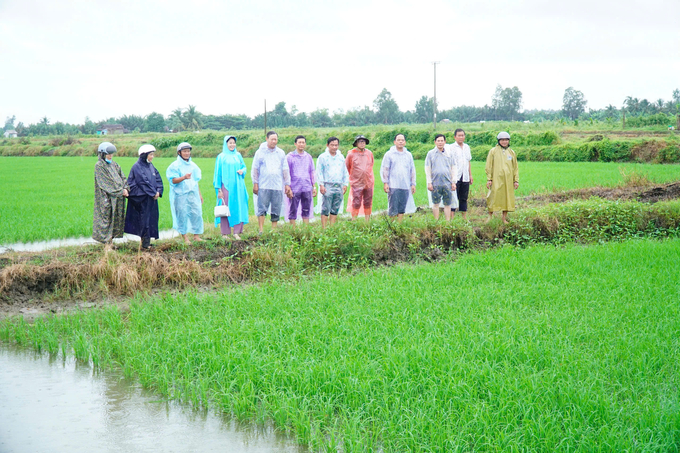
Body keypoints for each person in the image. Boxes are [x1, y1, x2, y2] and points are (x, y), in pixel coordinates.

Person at [125, 144, 164, 249]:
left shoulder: (151, 166)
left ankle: (147, 241)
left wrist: (159, 192)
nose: (152, 157)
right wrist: (153, 193)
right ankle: (145, 244)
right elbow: (143, 182)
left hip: (150, 197)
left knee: (151, 218)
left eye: (153, 154)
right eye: (151, 154)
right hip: (141, 198)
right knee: (144, 219)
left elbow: (158, 180)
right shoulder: (137, 166)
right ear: (144, 155)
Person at [251, 131, 292, 234]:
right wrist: (255, 183)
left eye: (276, 139)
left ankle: (273, 230)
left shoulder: (281, 153)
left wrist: (287, 184)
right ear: (267, 139)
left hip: (277, 185)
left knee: (276, 207)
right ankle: (261, 230)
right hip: (264, 184)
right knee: (262, 207)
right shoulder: (260, 152)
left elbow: (285, 169)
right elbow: (255, 168)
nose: (274, 141)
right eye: (272, 139)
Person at [166, 142, 204, 244]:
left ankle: (196, 235)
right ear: (179, 153)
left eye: (188, 151)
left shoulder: (193, 165)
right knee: (182, 215)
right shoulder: (174, 166)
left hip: (193, 194)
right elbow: (173, 180)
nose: (187, 153)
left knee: (196, 213)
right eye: (184, 151)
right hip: (180, 195)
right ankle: (185, 237)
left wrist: (199, 194)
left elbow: (196, 181)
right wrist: (183, 177)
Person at [92, 142, 129, 246]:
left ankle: (111, 241)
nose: (111, 156)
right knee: (106, 219)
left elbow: (122, 177)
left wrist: (125, 187)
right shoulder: (99, 166)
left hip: (118, 197)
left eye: (112, 154)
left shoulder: (114, 164)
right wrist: (120, 191)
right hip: (106, 198)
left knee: (116, 218)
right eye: (109, 154)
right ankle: (107, 244)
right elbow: (106, 183)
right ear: (102, 154)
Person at [214, 135, 249, 240]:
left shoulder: (238, 155)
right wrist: (219, 189)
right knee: (226, 207)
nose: (232, 145)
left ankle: (237, 232)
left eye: (234, 143)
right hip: (226, 186)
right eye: (230, 143)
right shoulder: (221, 157)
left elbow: (244, 166)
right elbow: (217, 173)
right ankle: (225, 233)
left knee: (239, 206)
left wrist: (242, 171)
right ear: (226, 144)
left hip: (238, 186)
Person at [380, 133, 416, 221]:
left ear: (405, 142)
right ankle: (393, 225)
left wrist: (413, 184)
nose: (400, 142)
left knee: (402, 207)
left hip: (405, 185)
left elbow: (412, 170)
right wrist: (385, 183)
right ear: (394, 142)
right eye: (398, 140)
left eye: (402, 140)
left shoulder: (408, 155)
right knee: (393, 207)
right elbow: (385, 169)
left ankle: (399, 224)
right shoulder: (389, 154)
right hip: (393, 185)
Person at [485, 131, 519, 224]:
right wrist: (489, 179)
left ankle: (503, 218)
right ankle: (490, 216)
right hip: (496, 179)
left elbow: (515, 167)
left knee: (507, 198)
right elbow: (489, 166)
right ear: (499, 141)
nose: (504, 142)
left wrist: (516, 180)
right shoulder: (493, 151)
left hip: (508, 180)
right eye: (502, 140)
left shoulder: (511, 152)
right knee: (493, 197)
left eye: (506, 140)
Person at [316, 136, 349, 228]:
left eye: (336, 145)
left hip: (338, 185)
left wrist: (345, 184)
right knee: (326, 207)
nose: (334, 147)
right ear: (327, 145)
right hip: (327, 185)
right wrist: (321, 185)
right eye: (332, 145)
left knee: (335, 207)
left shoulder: (341, 157)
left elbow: (344, 171)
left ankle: (332, 227)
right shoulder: (322, 157)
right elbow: (319, 172)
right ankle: (324, 228)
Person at [425, 134, 457, 220]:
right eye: (438, 141)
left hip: (447, 183)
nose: (440, 142)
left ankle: (447, 222)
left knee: (448, 204)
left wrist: (453, 182)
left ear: (445, 142)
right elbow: (428, 169)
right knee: (435, 203)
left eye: (442, 141)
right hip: (435, 183)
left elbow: (453, 167)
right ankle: (436, 221)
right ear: (435, 142)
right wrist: (429, 182)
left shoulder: (449, 154)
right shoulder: (431, 154)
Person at [286, 135, 316, 225]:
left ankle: (305, 229)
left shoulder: (308, 157)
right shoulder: (290, 157)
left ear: (305, 144)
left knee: (306, 209)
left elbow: (312, 172)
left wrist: (314, 186)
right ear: (295, 144)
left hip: (307, 187)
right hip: (294, 187)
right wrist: (288, 187)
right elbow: (287, 173)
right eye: (299, 142)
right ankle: (293, 230)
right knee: (293, 209)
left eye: (303, 142)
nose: (301, 144)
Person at [346, 135, 375, 220]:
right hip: (356, 182)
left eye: (363, 141)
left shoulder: (369, 153)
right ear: (356, 143)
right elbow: (347, 167)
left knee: (368, 201)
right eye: (360, 141)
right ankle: (354, 219)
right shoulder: (351, 154)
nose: (362, 143)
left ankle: (367, 220)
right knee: (356, 201)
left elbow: (371, 165)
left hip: (368, 181)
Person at [450, 128, 473, 220]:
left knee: (464, 197)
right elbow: (450, 163)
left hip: (465, 176)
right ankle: (451, 218)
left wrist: (470, 175)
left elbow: (468, 162)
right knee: (454, 197)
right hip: (455, 176)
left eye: (462, 135)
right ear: (455, 137)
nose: (461, 137)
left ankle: (464, 218)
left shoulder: (467, 147)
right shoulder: (451, 148)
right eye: (459, 135)